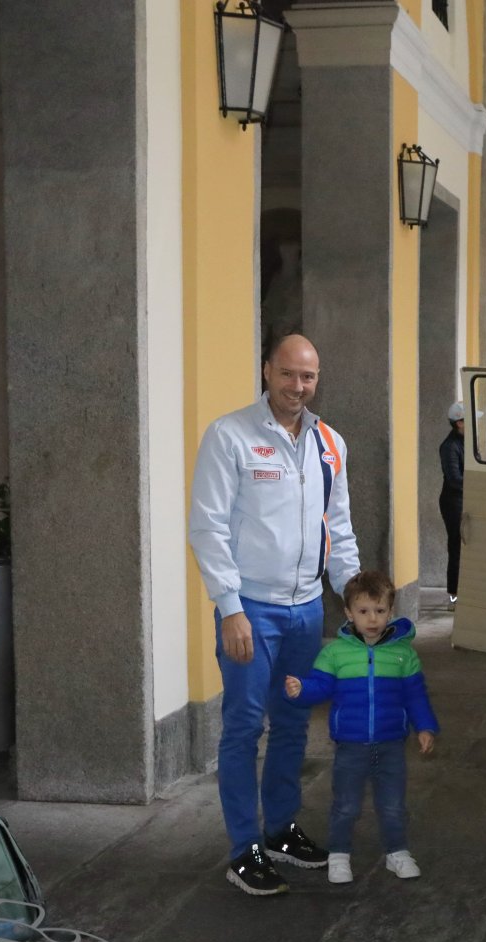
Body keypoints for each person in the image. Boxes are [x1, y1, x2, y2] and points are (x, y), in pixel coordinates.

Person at [189, 334, 360, 897]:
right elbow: (208, 527)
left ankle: (281, 828)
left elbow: (337, 527)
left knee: (292, 723)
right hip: (251, 611)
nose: (297, 386)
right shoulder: (230, 435)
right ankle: (245, 849)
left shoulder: (330, 443)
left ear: (317, 380)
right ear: (267, 371)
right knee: (243, 727)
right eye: (287, 374)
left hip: (306, 610)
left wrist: (354, 598)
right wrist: (230, 608)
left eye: (307, 377)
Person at [284, 570, 439, 884]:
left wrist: (425, 726)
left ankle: (397, 853)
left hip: (391, 743)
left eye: (380, 610)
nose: (372, 619)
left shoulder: (403, 654)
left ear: (390, 612)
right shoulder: (335, 654)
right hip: (350, 744)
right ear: (348, 613)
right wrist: (302, 689)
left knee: (393, 804)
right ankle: (339, 855)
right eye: (364, 611)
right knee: (346, 804)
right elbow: (321, 686)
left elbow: (415, 695)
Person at [439, 402, 465, 607]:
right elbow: (455, 479)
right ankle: (454, 596)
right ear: (459, 423)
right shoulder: (449, 446)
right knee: (456, 545)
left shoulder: (466, 443)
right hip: (453, 502)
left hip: (464, 499)